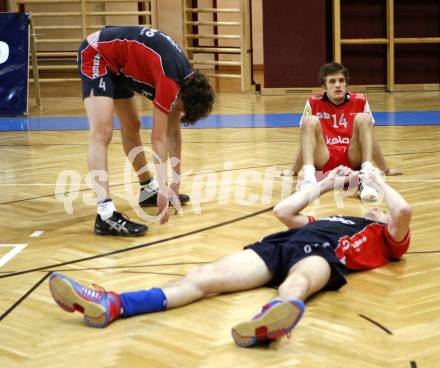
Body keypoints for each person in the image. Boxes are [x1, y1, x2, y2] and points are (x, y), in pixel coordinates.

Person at [49, 166, 411, 348]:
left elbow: (404, 210)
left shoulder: (384, 237)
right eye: (378, 208)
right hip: (279, 245)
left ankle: (270, 322)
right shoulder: (332, 218)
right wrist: (326, 183)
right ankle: (115, 304)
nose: (381, 211)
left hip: (323, 256)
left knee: (298, 282)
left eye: (383, 210)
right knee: (202, 277)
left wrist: (377, 183)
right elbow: (284, 212)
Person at [78, 26, 215, 236]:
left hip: (119, 64)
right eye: (179, 108)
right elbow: (158, 138)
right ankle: (105, 213)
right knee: (102, 132)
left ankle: (147, 189)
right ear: (183, 97)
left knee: (132, 125)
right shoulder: (171, 79)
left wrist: (175, 186)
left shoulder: (185, 81)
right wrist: (164, 186)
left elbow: (174, 135)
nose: (175, 111)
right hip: (97, 53)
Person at [283, 62, 402, 201]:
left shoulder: (360, 101)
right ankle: (309, 181)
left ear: (346, 84)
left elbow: (370, 141)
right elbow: (306, 142)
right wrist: (294, 171)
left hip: (352, 157)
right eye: (332, 81)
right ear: (324, 86)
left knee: (364, 118)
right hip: (324, 157)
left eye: (341, 81)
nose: (338, 85)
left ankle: (366, 179)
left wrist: (385, 169)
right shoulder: (313, 102)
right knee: (309, 121)